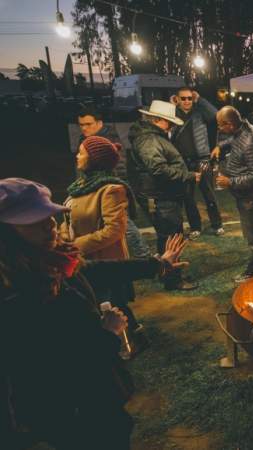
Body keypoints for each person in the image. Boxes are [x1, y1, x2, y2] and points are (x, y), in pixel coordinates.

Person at [0, 178, 187, 450]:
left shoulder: (50, 260)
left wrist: (157, 265)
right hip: (69, 408)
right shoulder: (14, 291)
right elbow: (49, 364)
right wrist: (107, 333)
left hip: (95, 393)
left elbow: (92, 271)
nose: (49, 225)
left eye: (50, 216)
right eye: (33, 221)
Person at [62, 136, 144, 358]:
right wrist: (62, 239)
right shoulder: (79, 187)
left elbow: (114, 231)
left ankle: (130, 340)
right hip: (81, 257)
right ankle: (128, 333)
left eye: (81, 152)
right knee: (99, 300)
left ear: (95, 159)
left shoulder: (110, 189)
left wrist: (76, 245)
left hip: (105, 257)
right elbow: (68, 220)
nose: (77, 156)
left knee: (112, 301)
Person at [128, 100, 199, 291]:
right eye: (168, 122)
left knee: (168, 236)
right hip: (161, 197)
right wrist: (188, 175)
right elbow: (158, 169)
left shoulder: (150, 137)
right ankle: (172, 279)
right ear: (158, 120)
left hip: (163, 196)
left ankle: (169, 272)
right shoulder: (149, 140)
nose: (170, 126)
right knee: (170, 237)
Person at [77, 107, 150, 259]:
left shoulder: (109, 138)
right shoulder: (84, 139)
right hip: (92, 187)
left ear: (99, 123)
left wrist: (114, 184)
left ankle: (144, 255)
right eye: (81, 124)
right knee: (110, 224)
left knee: (123, 224)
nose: (84, 128)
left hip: (108, 187)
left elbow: (120, 164)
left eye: (88, 124)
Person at [213, 106, 253, 283]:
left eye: (220, 125)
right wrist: (220, 146)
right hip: (245, 198)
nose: (218, 129)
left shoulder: (251, 142)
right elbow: (234, 140)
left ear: (229, 124)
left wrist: (231, 182)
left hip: (252, 199)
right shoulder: (241, 130)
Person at [170, 87, 224, 239]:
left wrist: (200, 99)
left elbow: (216, 115)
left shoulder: (200, 113)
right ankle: (195, 227)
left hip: (202, 159)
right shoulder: (173, 115)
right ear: (177, 99)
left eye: (189, 98)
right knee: (188, 196)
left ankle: (217, 224)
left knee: (209, 193)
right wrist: (171, 105)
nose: (187, 101)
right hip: (182, 162)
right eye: (183, 98)